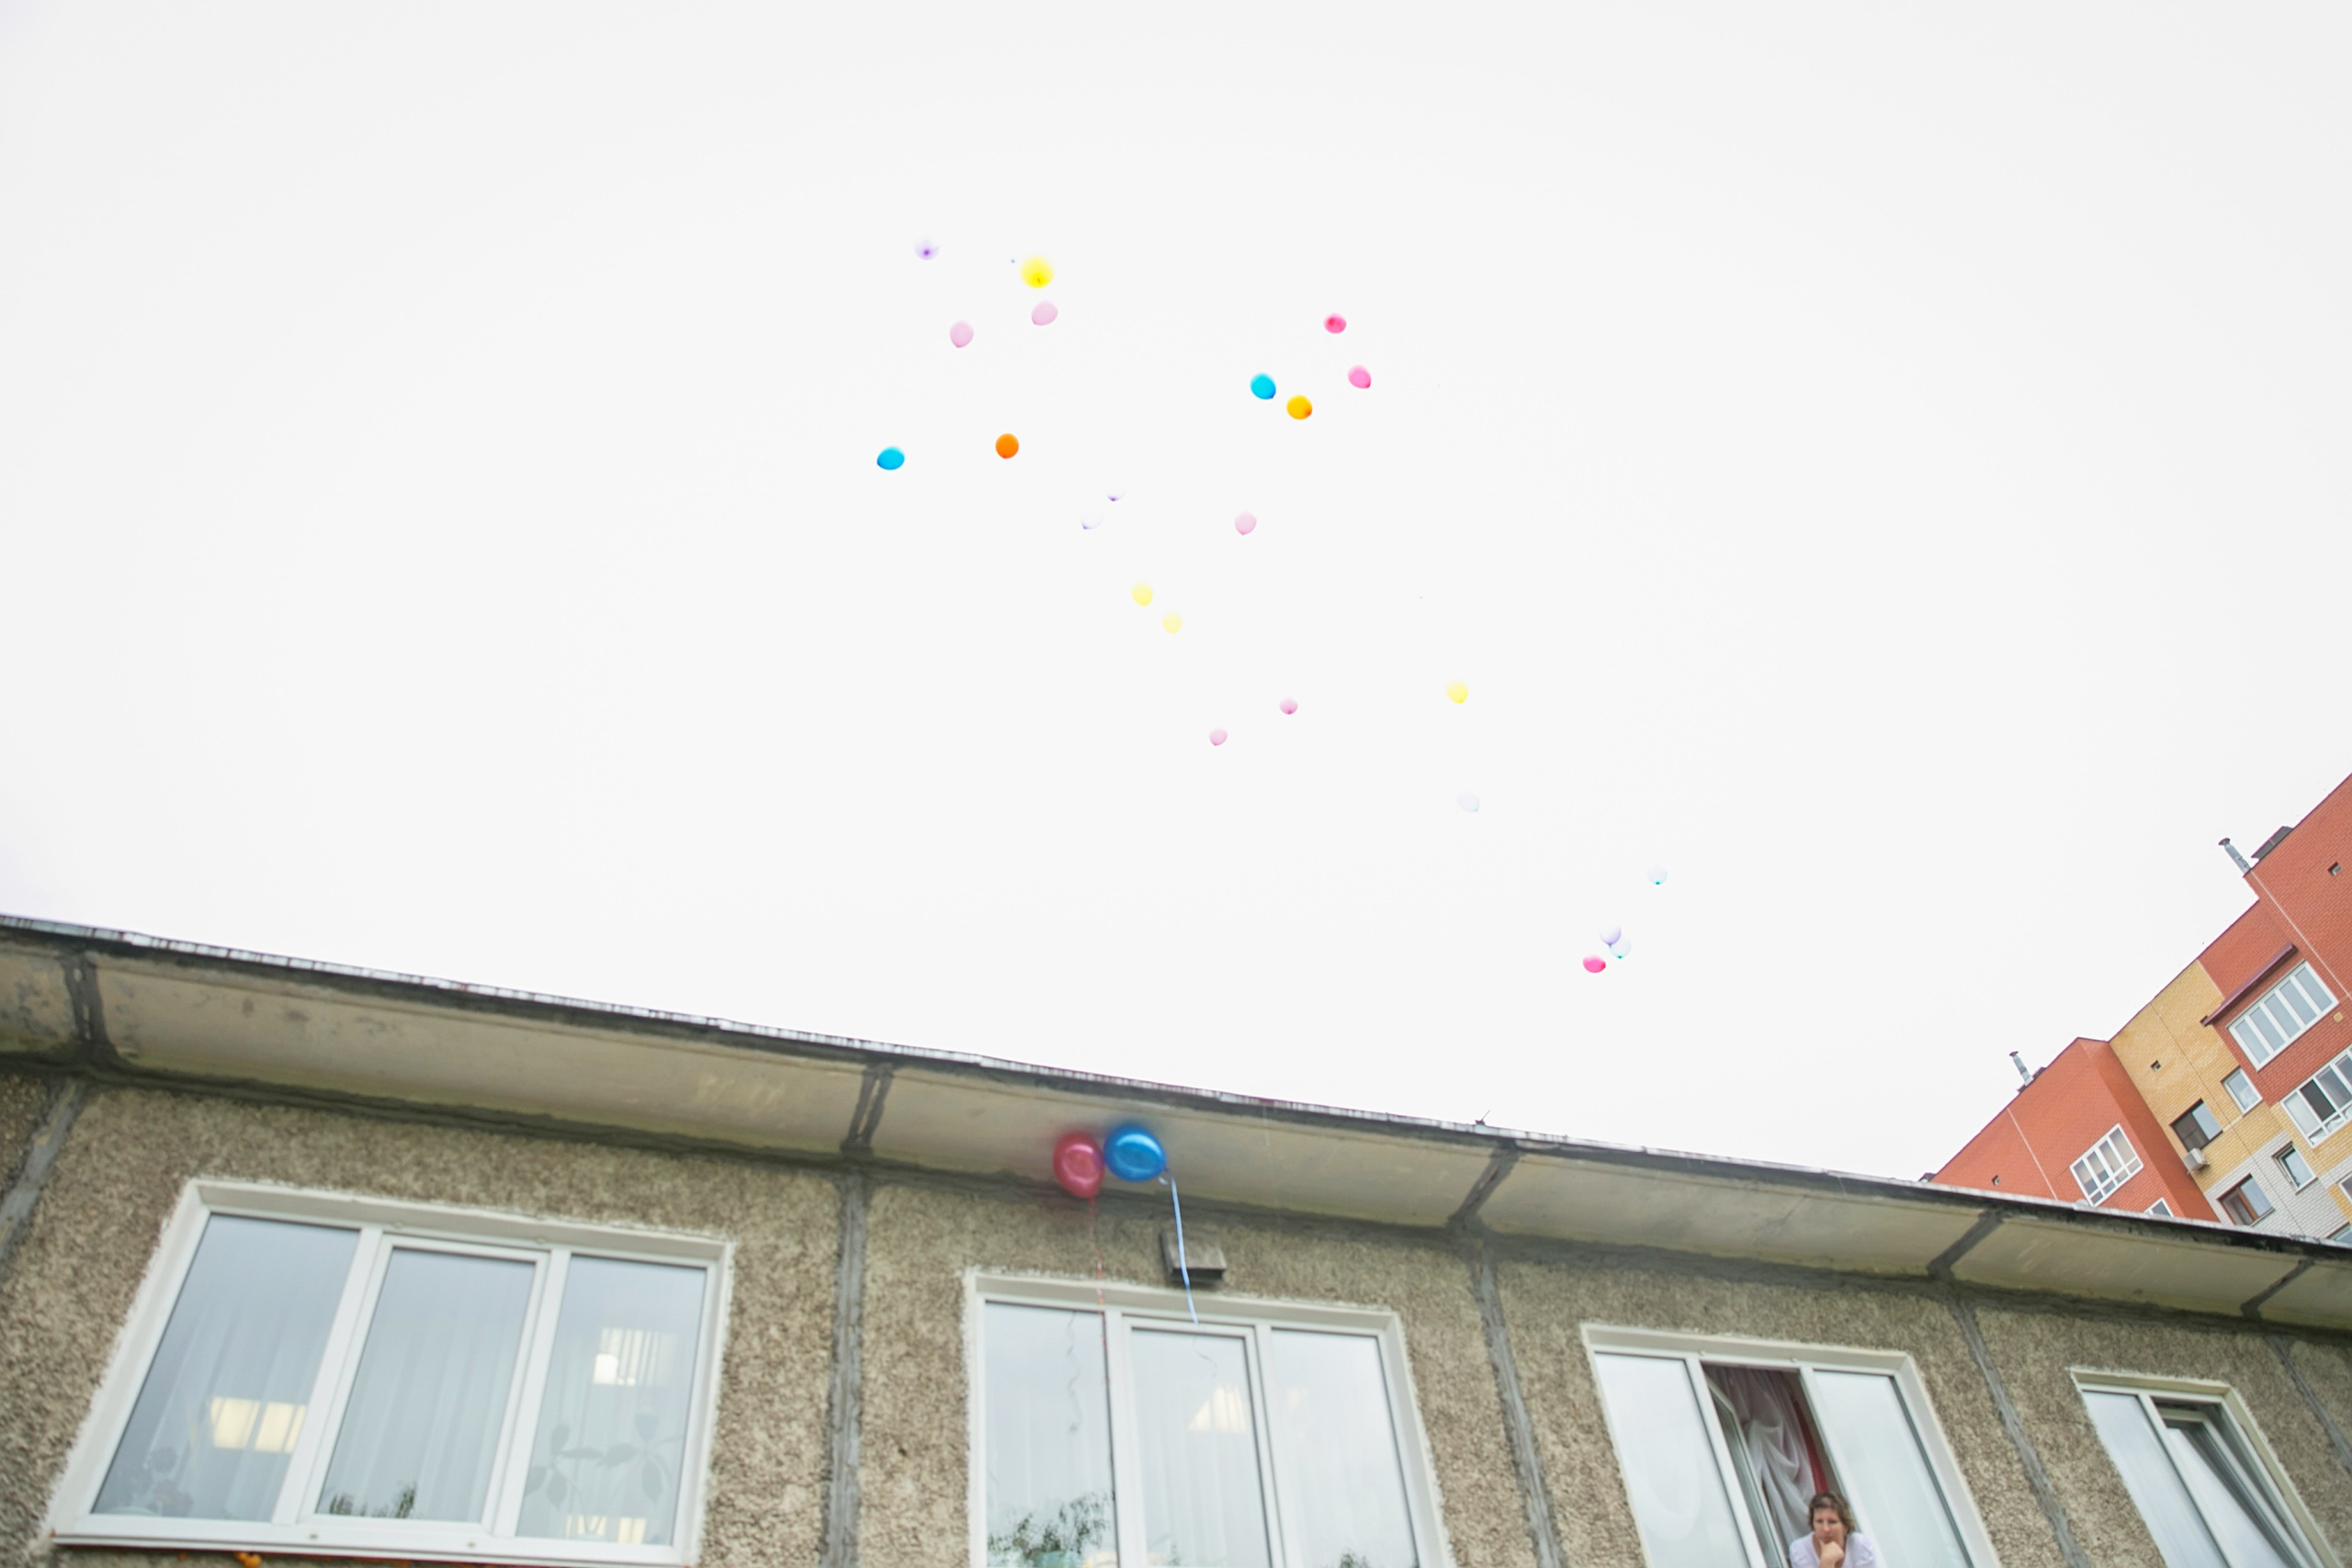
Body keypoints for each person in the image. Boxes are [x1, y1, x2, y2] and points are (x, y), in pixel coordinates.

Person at [1788, 1492, 1880, 1568]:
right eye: (1819, 1522)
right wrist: (1827, 1562)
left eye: (1832, 1522)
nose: (1825, 1529)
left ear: (1845, 1526)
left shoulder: (1860, 1545)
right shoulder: (1800, 1550)